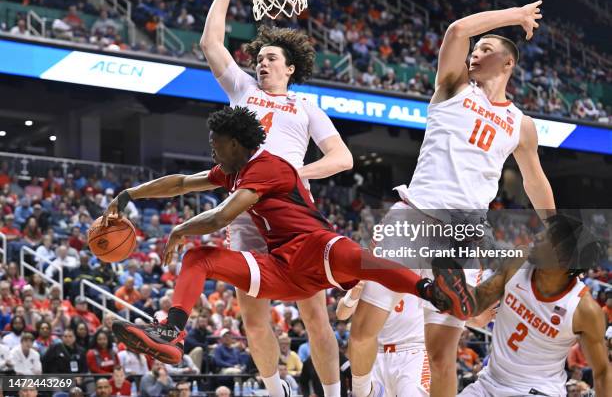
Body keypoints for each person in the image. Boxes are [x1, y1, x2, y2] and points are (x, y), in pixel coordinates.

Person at [107, 107, 472, 371]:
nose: (212, 150)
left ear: (235, 143)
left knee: (357, 256)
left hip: (314, 248)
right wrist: (130, 194)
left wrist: (180, 228)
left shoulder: (268, 166)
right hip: (281, 268)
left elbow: (223, 216)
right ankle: (171, 332)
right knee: (198, 258)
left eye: (216, 143)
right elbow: (182, 183)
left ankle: (434, 292)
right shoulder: (232, 169)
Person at [347, 1, 556, 397]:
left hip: (464, 233)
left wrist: (557, 227)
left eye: (485, 51)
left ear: (508, 64)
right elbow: (458, 30)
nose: (475, 54)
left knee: (442, 354)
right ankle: (360, 391)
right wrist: (516, 16)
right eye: (474, 51)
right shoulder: (453, 87)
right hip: (414, 216)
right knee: (362, 332)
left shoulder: (521, 124)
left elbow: (535, 180)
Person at [198, 0, 354, 397]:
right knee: (252, 313)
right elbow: (210, 45)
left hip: (289, 212)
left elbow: (342, 158)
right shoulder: (242, 89)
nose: (261, 62)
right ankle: (273, 388)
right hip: (245, 209)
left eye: (270, 58)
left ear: (290, 67)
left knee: (315, 314)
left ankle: (331, 392)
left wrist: (297, 171)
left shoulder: (306, 107)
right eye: (259, 56)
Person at [459, 215, 611, 396]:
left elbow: (602, 372)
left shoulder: (584, 310)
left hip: (537, 391)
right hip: (488, 384)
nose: (537, 236)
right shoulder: (518, 263)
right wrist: (448, 286)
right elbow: (475, 303)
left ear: (563, 256)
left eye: (547, 237)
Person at [337, 281, 430, 396]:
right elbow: (341, 314)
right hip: (375, 356)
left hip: (413, 353)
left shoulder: (418, 270)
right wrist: (352, 297)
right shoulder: (369, 276)